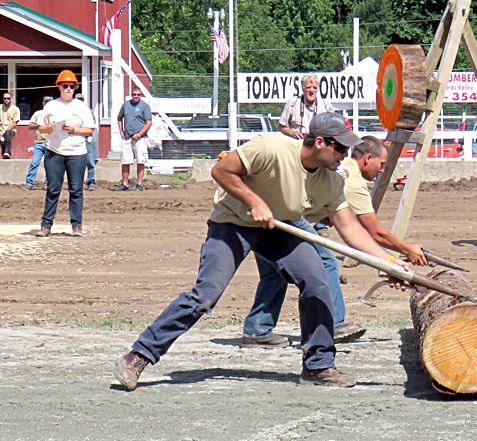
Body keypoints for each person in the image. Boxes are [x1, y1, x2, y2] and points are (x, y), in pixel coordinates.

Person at [113, 113, 406, 390]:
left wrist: (390, 262)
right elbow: (222, 170)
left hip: (280, 227)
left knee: (317, 281)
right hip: (233, 223)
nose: (345, 155)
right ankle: (139, 355)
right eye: (340, 148)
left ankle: (318, 365)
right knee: (205, 295)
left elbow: (351, 230)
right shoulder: (271, 148)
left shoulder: (331, 181)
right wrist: (254, 201)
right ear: (320, 143)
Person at [242, 135, 428, 347]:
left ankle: (257, 328)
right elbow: (374, 233)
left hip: (269, 213)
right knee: (326, 262)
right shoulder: (354, 184)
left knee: (273, 274)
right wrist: (404, 252)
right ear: (367, 159)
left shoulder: (342, 168)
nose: (382, 170)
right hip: (280, 216)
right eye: (382, 165)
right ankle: (334, 323)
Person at [34, 70, 96, 237]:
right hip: (55, 152)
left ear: (75, 88)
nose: (68, 88)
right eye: (65, 85)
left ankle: (76, 226)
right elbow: (41, 128)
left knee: (76, 190)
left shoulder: (81, 107)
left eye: (71, 86)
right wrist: (52, 128)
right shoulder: (51, 106)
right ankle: (46, 226)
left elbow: (89, 129)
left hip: (77, 153)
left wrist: (74, 129)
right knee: (53, 189)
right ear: (59, 86)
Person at [112, 89, 152, 192]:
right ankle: (125, 184)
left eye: (138, 95)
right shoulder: (125, 105)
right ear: (131, 95)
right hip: (127, 137)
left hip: (140, 138)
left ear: (141, 95)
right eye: (134, 94)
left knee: (140, 160)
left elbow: (148, 122)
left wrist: (139, 134)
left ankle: (139, 184)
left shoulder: (145, 106)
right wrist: (121, 131)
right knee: (125, 161)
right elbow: (119, 118)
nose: (136, 96)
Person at [278, 74, 334, 139]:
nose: (312, 90)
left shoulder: (326, 105)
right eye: (308, 87)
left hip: (317, 145)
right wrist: (293, 133)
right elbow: (282, 126)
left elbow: (333, 127)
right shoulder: (292, 103)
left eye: (315, 88)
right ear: (303, 88)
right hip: (298, 144)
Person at [24, 96, 53, 191]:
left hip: (50, 142)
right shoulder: (38, 114)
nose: (47, 103)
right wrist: (40, 125)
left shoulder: (54, 114)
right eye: (46, 102)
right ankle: (29, 183)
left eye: (49, 102)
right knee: (34, 163)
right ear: (43, 103)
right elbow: (30, 125)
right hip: (39, 142)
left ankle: (47, 184)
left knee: (49, 165)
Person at [75, 93, 98, 191]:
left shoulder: (89, 111)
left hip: (88, 139)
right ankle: (76, 183)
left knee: (90, 162)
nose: (80, 101)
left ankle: (91, 182)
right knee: (76, 163)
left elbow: (92, 126)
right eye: (78, 99)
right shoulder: (73, 112)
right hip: (76, 139)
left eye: (81, 99)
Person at [1, 91, 20, 159]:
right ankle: (6, 154)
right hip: (1, 131)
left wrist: (5, 130)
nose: (6, 100)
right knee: (3, 150)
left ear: (11, 99)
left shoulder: (15, 109)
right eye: (5, 98)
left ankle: (7, 152)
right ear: (3, 99)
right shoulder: (0, 107)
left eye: (8, 98)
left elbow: (15, 123)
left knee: (8, 133)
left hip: (11, 130)